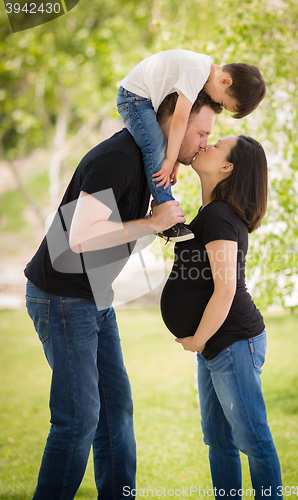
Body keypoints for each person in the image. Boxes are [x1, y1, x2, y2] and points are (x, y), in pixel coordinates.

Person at [24, 90, 221, 500]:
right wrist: (153, 221)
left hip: (93, 296)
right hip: (60, 296)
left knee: (115, 413)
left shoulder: (150, 163)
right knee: (78, 419)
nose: (204, 143)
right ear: (176, 123)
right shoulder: (116, 158)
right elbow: (78, 239)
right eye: (201, 133)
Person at [161, 135, 283, 499]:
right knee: (219, 439)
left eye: (216, 145)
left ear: (226, 168)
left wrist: (197, 340)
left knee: (252, 438)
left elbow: (226, 290)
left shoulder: (218, 216)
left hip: (231, 342)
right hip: (218, 344)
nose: (206, 144)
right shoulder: (211, 212)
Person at [117, 48, 266, 242]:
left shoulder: (202, 70)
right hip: (134, 98)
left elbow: (181, 128)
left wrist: (176, 160)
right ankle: (166, 213)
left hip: (142, 98)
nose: (215, 102)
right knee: (155, 149)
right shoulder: (197, 71)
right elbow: (180, 119)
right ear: (224, 81)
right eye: (221, 100)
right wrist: (170, 159)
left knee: (159, 149)